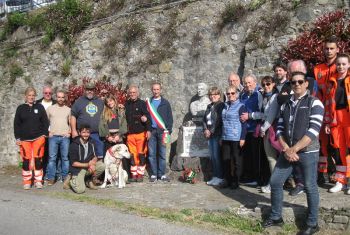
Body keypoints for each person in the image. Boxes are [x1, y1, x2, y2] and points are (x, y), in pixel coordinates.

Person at [263, 72, 324, 235]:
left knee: (310, 186)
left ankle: (312, 223)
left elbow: (313, 131)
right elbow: (280, 129)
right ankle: (276, 217)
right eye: (293, 82)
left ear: (306, 84)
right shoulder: (285, 105)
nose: (296, 84)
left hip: (308, 152)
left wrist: (294, 149)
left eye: (300, 82)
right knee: (275, 182)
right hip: (287, 152)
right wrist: (285, 148)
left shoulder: (315, 103)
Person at [314, 36, 339, 185]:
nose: (329, 51)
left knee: (337, 144)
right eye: (326, 48)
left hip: (337, 111)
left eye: (332, 48)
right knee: (322, 144)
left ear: (337, 49)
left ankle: (338, 173)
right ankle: (323, 173)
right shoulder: (318, 68)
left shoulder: (342, 66)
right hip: (322, 110)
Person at [324, 54, 350, 194]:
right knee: (338, 150)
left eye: (344, 64)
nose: (341, 66)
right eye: (338, 64)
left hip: (348, 117)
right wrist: (328, 122)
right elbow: (328, 104)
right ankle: (341, 181)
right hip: (336, 119)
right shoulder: (332, 81)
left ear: (348, 65)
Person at [14, 87, 49, 189]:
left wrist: (44, 135)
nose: (31, 97)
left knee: (38, 159)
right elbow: (16, 124)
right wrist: (17, 138)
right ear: (25, 96)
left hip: (38, 138)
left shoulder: (40, 107)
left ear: (35, 96)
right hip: (24, 139)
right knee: (26, 160)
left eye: (33, 95)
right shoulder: (20, 108)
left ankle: (38, 180)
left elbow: (45, 122)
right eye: (29, 95)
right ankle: (27, 181)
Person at [146, 82, 173, 182]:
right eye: (154, 89)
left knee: (162, 153)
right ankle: (153, 174)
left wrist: (169, 130)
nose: (156, 91)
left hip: (163, 132)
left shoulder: (166, 103)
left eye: (157, 89)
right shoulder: (148, 102)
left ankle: (161, 174)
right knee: (152, 154)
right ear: (152, 90)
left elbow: (170, 118)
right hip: (152, 131)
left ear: (160, 90)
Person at [239, 74, 264, 185]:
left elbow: (263, 113)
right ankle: (249, 177)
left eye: (249, 82)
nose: (247, 85)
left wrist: (250, 116)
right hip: (244, 131)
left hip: (255, 130)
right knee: (247, 156)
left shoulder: (258, 95)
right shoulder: (243, 95)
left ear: (255, 82)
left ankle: (257, 178)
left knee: (256, 156)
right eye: (245, 83)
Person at [221, 86, 247, 189]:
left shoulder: (241, 106)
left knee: (237, 160)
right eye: (228, 94)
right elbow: (223, 122)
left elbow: (244, 123)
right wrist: (220, 137)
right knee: (226, 159)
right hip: (225, 136)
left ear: (236, 94)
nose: (230, 95)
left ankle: (236, 181)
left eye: (232, 93)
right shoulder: (225, 105)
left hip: (236, 137)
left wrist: (243, 137)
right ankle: (227, 179)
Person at [258, 76, 280, 194]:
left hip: (271, 128)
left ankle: (274, 184)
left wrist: (262, 128)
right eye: (264, 84)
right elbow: (263, 114)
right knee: (271, 158)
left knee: (271, 158)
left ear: (273, 84)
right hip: (268, 128)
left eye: (268, 84)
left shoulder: (275, 97)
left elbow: (271, 116)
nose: (266, 86)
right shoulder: (265, 97)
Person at [70, 82, 105, 159]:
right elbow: (73, 116)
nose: (90, 91)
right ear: (85, 90)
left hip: (98, 134)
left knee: (99, 155)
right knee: (84, 155)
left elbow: (106, 115)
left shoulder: (100, 102)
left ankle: (100, 170)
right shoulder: (79, 101)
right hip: (83, 135)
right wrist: (73, 130)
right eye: (88, 89)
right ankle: (84, 170)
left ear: (94, 90)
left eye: (91, 89)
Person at [125, 85, 151, 182]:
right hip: (130, 134)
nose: (132, 94)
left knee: (141, 154)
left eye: (134, 92)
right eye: (130, 93)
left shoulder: (142, 104)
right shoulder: (126, 104)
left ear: (137, 93)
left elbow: (147, 117)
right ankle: (134, 175)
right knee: (132, 155)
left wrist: (148, 130)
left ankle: (140, 175)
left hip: (141, 134)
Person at [68, 124, 105, 193]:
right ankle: (71, 180)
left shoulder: (92, 142)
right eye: (84, 132)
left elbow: (95, 156)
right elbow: (73, 163)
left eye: (88, 132)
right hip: (78, 169)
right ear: (79, 133)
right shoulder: (74, 145)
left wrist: (93, 163)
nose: (86, 134)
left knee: (102, 166)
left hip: (88, 167)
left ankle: (88, 180)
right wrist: (88, 164)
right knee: (80, 190)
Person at [45, 90, 71, 185]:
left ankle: (65, 178)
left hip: (65, 137)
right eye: (59, 97)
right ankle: (51, 178)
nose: (60, 99)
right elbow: (44, 123)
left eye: (62, 97)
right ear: (56, 98)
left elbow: (71, 123)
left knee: (65, 158)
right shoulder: (50, 109)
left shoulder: (68, 109)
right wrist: (48, 132)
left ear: (65, 98)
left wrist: (69, 132)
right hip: (53, 137)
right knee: (52, 158)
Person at [203, 87, 225, 186]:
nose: (213, 97)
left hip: (217, 134)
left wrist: (211, 131)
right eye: (211, 95)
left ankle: (220, 177)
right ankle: (215, 176)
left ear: (219, 95)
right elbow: (204, 120)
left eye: (215, 94)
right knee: (213, 157)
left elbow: (219, 120)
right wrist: (205, 129)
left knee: (217, 156)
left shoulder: (221, 105)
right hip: (210, 135)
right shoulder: (209, 106)